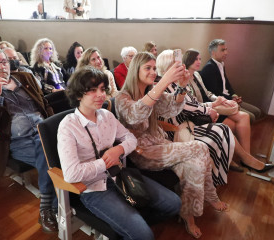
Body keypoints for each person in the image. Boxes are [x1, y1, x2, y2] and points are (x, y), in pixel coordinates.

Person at [57, 66, 181, 240]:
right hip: (94, 189)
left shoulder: (106, 116)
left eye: (102, 89)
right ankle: (135, 228)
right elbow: (71, 174)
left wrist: (119, 149)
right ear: (78, 95)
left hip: (120, 176)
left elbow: (130, 138)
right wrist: (106, 161)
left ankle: (133, 226)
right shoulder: (68, 126)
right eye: (92, 90)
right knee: (145, 235)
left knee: (174, 203)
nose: (100, 95)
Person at [115, 51, 226, 239]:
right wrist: (164, 81)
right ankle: (210, 195)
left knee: (195, 164)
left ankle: (187, 216)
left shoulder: (150, 92)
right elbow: (136, 114)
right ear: (135, 70)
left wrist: (182, 86)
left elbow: (172, 107)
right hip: (143, 152)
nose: (152, 72)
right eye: (148, 68)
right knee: (200, 147)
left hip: (160, 143)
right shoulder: (122, 98)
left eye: (154, 68)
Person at [0, 47, 58, 233]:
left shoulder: (25, 78)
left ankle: (56, 206)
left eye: (4, 61)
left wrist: (54, 124)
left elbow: (44, 104)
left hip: (44, 131)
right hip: (18, 142)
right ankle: (50, 206)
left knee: (54, 150)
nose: (1, 66)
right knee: (52, 155)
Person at [157, 49, 274, 179]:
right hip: (179, 128)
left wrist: (215, 103)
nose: (181, 68)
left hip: (191, 120)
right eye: (177, 65)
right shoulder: (166, 86)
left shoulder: (182, 82)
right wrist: (211, 108)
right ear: (167, 67)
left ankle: (241, 160)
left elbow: (195, 102)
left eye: (179, 65)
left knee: (229, 125)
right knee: (225, 128)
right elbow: (187, 107)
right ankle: (244, 160)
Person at [200, 39, 262, 122]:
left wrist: (234, 95)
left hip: (229, 97)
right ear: (213, 53)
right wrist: (231, 99)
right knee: (251, 117)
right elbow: (215, 92)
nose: (226, 53)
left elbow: (227, 83)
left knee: (257, 112)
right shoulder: (209, 68)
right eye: (222, 50)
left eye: (226, 49)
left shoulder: (221, 64)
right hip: (221, 100)